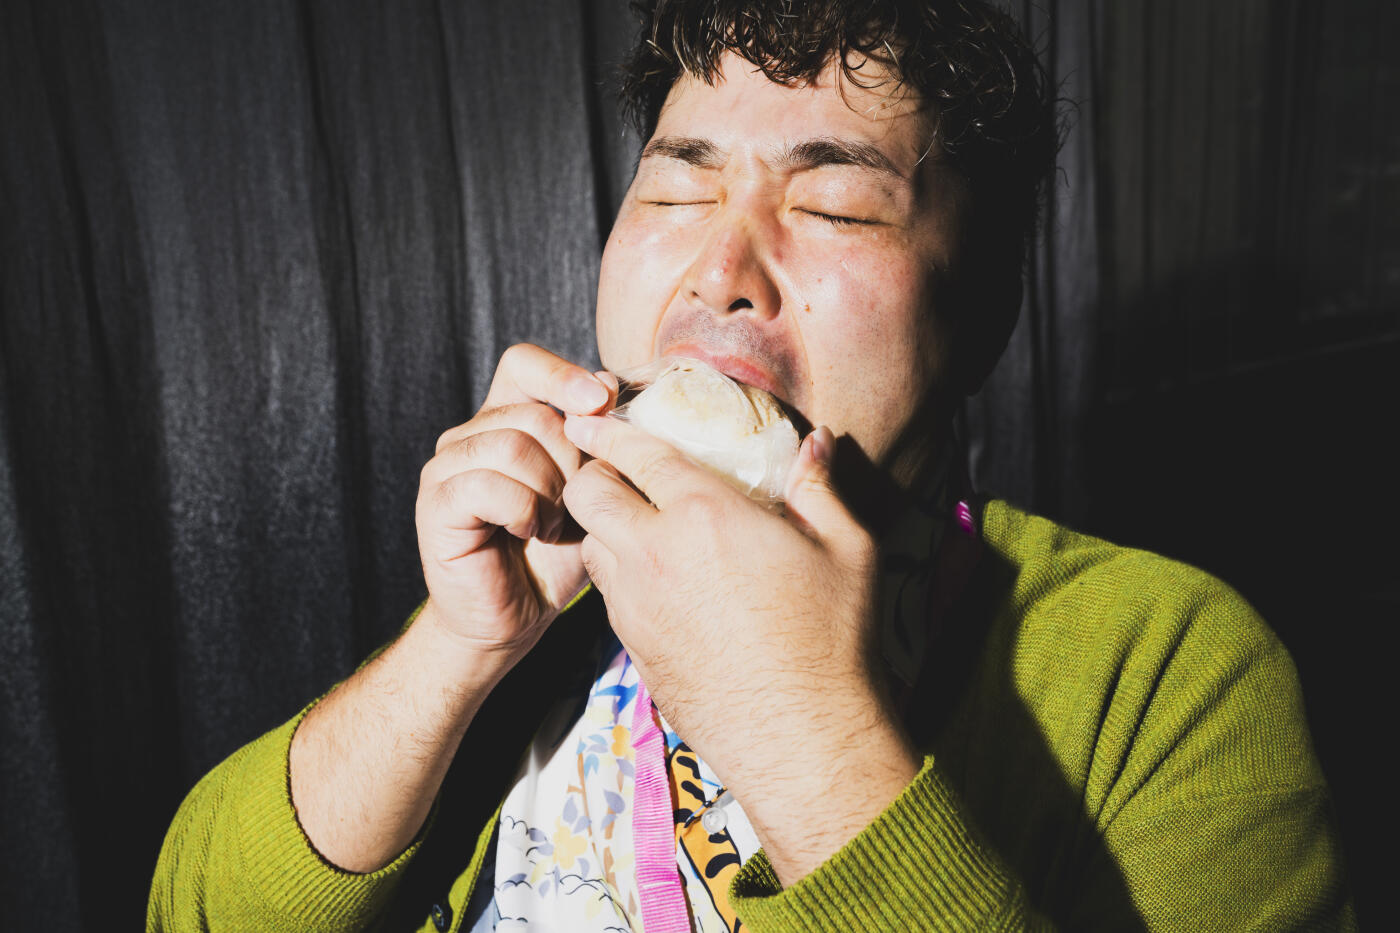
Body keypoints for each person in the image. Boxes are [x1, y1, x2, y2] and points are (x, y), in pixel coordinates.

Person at [147, 2, 1353, 930]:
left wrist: (796, 725)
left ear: (980, 310)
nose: (719, 265)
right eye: (676, 185)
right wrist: (456, 653)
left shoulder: (1164, 667)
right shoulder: (540, 604)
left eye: (833, 206)